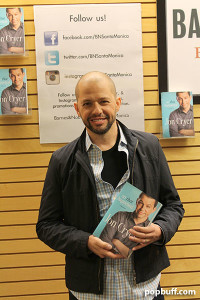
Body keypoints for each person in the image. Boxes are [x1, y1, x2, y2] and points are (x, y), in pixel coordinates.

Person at [36, 71, 184, 300]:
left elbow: (173, 205)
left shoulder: (149, 147)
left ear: (117, 103)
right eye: (87, 103)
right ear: (77, 109)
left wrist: (160, 230)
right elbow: (46, 225)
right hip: (89, 293)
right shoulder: (61, 161)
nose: (97, 110)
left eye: (104, 101)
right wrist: (85, 242)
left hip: (144, 289)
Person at [99, 193, 158, 258]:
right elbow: (104, 241)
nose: (142, 208)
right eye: (141, 203)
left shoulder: (150, 229)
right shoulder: (119, 215)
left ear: (153, 210)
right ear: (137, 202)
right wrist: (125, 251)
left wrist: (115, 241)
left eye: (148, 206)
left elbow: (130, 254)